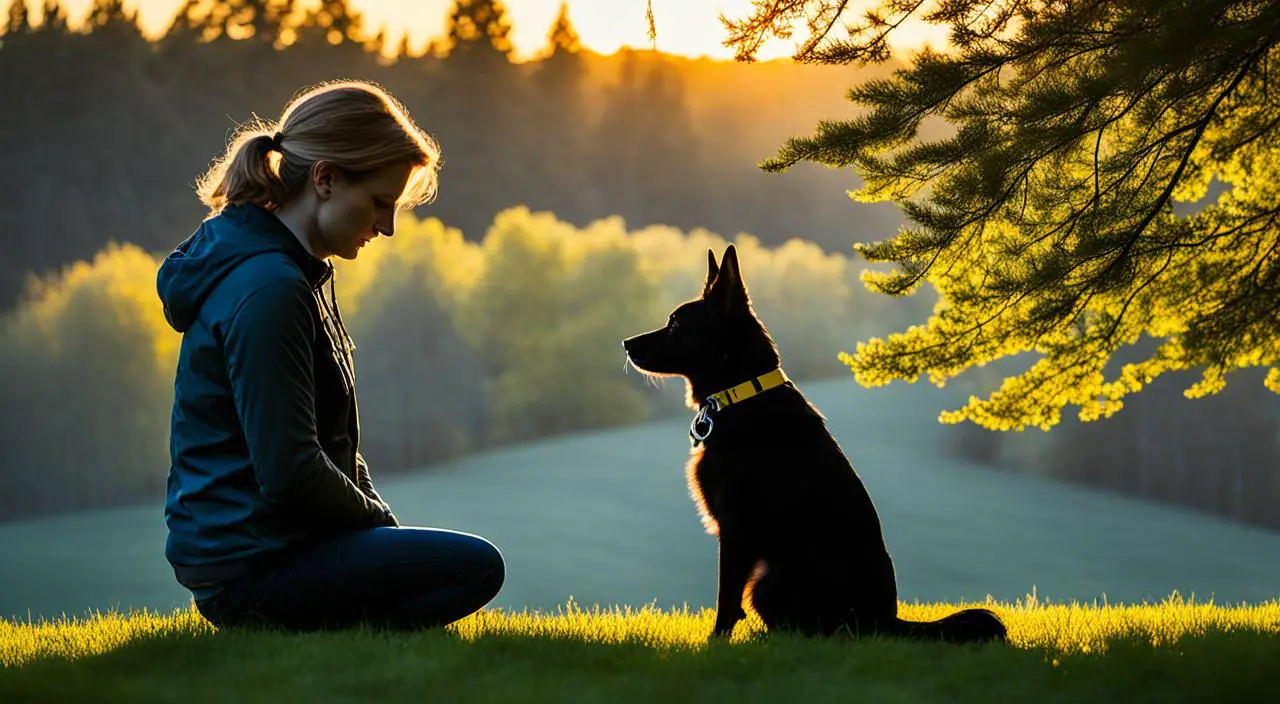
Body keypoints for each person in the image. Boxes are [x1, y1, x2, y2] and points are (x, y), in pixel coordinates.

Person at [156, 80, 505, 631]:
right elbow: (291, 472)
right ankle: (339, 634)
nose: (386, 227)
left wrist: (380, 533)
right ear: (325, 179)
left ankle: (346, 629)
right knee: (474, 568)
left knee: (433, 564)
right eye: (379, 203)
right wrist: (380, 524)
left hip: (263, 549)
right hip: (254, 568)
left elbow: (329, 443)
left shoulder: (285, 270)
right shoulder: (270, 288)